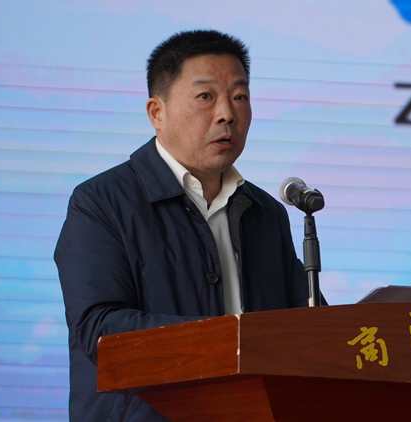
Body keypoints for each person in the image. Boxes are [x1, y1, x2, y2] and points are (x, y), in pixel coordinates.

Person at [54, 29, 312, 421]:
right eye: (205, 96)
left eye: (240, 97)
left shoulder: (266, 212)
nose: (227, 114)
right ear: (156, 112)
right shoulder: (101, 202)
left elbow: (301, 324)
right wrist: (231, 339)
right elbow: (99, 330)